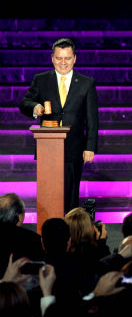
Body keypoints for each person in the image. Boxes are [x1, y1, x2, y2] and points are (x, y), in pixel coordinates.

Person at [19, 38, 99, 213]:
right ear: (52, 58)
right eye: (59, 58)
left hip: (74, 147)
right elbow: (25, 102)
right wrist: (35, 107)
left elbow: (92, 119)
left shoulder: (86, 83)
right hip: (48, 146)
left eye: (67, 58)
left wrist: (90, 147)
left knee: (70, 195)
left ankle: (69, 233)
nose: (63, 62)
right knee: (48, 194)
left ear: (75, 58)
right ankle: (48, 231)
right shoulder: (41, 80)